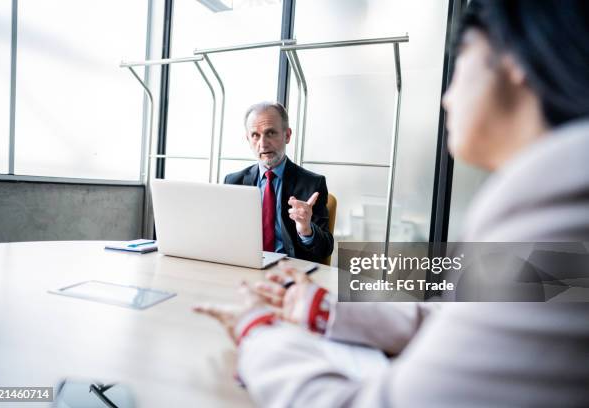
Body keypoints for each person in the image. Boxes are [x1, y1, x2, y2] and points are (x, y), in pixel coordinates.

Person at [195, 1, 589, 406]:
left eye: (460, 65)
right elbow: (455, 315)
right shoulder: (549, 201)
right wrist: (325, 309)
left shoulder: (563, 210)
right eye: (255, 136)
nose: (447, 98)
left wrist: (257, 332)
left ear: (514, 60)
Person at [224, 102, 334, 262]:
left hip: (288, 270)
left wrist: (306, 229)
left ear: (287, 135)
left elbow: (325, 249)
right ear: (248, 139)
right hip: (244, 265)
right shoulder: (233, 182)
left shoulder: (312, 184)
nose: (263, 143)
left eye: (270, 133)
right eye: (255, 135)